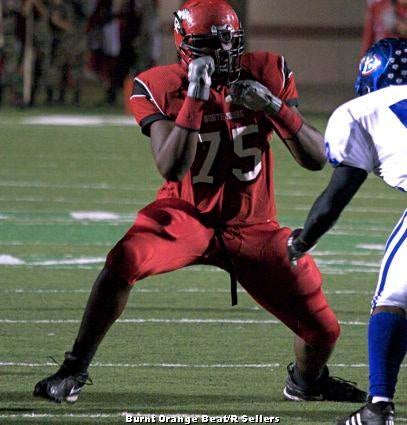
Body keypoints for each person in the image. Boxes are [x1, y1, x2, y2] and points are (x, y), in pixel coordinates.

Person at [33, 0, 366, 405]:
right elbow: (171, 167)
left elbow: (317, 160)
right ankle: (74, 369)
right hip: (184, 214)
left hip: (254, 225)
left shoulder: (268, 71)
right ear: (186, 46)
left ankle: (306, 382)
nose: (225, 54)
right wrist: (195, 95)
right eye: (212, 45)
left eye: (231, 44)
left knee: (324, 331)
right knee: (123, 261)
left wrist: (275, 108)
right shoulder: (156, 84)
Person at [287, 37, 407, 424]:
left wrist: (302, 241)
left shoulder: (359, 111)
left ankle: (378, 407)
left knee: (393, 299)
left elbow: (336, 196)